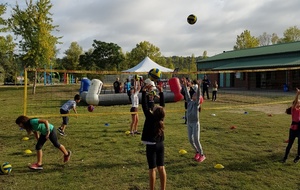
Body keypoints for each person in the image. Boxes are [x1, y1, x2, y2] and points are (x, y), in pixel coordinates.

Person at [141, 83, 166, 190]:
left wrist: (144, 91)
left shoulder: (150, 117)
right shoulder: (161, 117)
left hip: (151, 145)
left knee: (152, 169)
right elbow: (162, 105)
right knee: (161, 167)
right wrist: (161, 92)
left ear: (154, 111)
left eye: (156, 107)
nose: (155, 105)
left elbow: (144, 105)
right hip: (160, 144)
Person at [182, 77, 206, 162]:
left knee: (196, 139)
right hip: (189, 123)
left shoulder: (196, 104)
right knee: (190, 140)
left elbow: (199, 93)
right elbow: (187, 93)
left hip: (195, 123)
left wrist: (199, 86)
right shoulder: (189, 102)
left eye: (196, 95)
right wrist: (185, 85)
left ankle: (202, 154)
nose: (194, 94)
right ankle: (197, 152)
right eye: (194, 94)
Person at [282, 88, 300, 163]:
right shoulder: (293, 109)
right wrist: (297, 94)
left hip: (299, 129)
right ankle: (285, 158)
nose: (299, 103)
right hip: (293, 129)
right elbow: (295, 101)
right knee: (290, 144)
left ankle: (298, 156)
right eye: (298, 102)